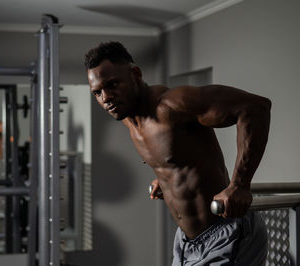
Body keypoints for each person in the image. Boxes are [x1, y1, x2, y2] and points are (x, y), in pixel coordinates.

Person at [85, 42, 271, 265]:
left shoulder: (172, 105)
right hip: (186, 243)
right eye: (97, 92)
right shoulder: (129, 119)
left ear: (135, 74)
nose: (105, 98)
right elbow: (177, 157)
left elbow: (255, 108)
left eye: (113, 84)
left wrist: (240, 185)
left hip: (225, 232)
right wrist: (166, 179)